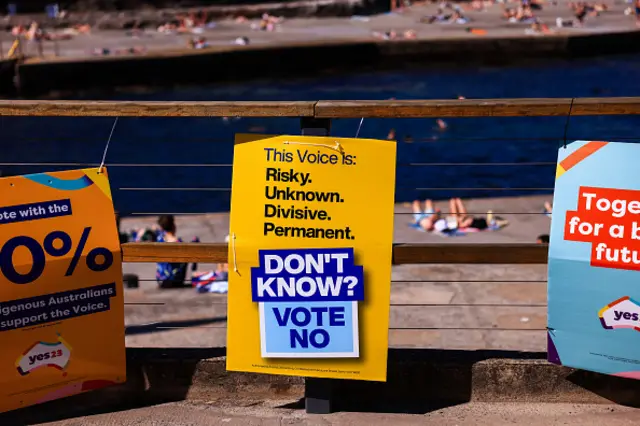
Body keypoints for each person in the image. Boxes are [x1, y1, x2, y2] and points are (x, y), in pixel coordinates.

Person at [155, 215, 190, 289]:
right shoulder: (179, 242)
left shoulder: (159, 238)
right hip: (175, 280)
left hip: (161, 280)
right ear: (173, 226)